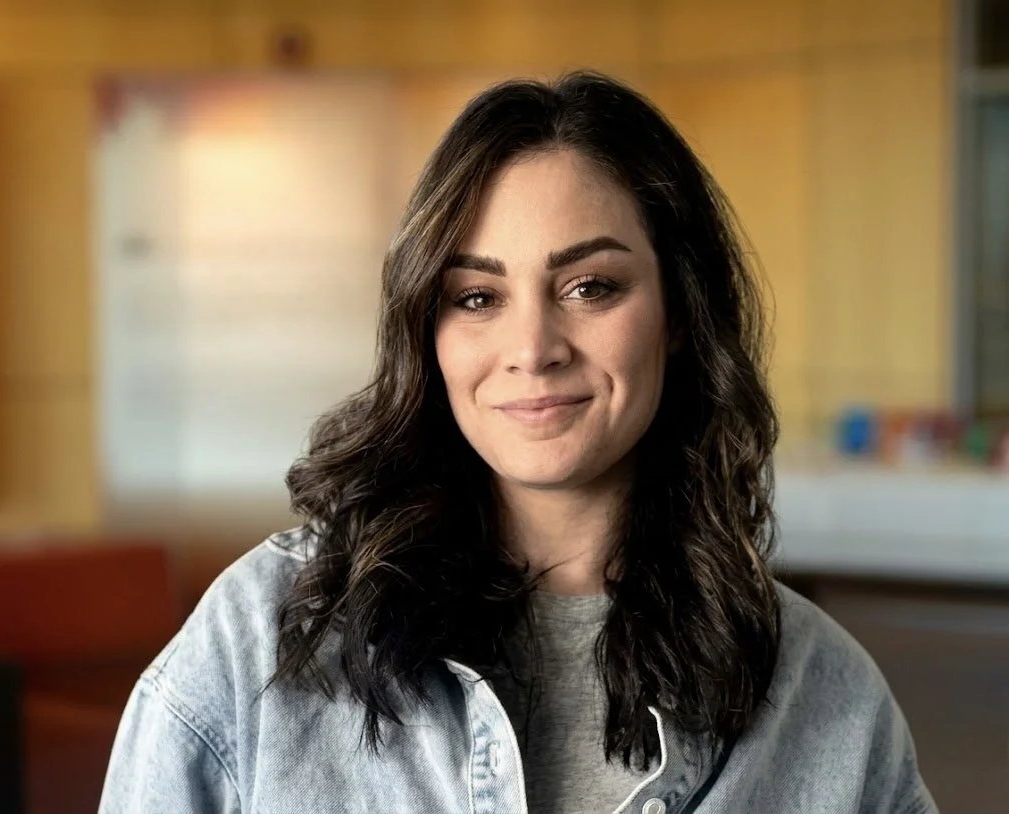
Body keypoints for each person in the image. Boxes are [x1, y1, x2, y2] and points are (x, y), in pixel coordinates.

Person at [99, 71, 937, 814]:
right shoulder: (260, 645)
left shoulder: (824, 694)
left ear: (679, 313)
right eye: (476, 296)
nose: (533, 348)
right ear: (426, 328)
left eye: (590, 287)